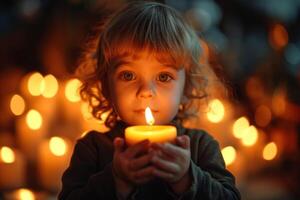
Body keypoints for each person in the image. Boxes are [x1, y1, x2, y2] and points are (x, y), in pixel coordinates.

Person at [58, 1, 241, 199]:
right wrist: (115, 180)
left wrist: (187, 178)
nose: (146, 91)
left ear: (186, 89)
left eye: (163, 77)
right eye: (128, 75)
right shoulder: (92, 149)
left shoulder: (200, 147)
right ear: (106, 86)